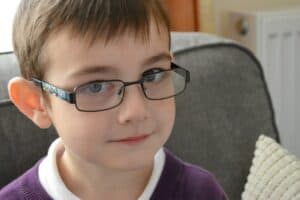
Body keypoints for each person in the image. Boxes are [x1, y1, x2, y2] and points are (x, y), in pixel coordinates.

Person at [0, 0, 227, 199]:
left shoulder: (201, 192)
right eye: (96, 87)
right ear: (36, 103)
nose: (136, 111)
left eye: (154, 74)